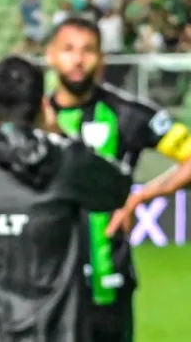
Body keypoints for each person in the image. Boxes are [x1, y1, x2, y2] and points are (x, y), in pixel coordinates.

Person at [0, 55, 130, 341]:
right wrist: (60, 132)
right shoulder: (68, 162)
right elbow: (117, 189)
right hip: (57, 331)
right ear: (43, 105)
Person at [46, 17, 191, 342]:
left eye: (88, 50)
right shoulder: (33, 117)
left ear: (101, 58)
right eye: (68, 49)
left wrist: (140, 196)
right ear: (51, 55)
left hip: (109, 282)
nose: (78, 59)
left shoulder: (127, 114)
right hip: (46, 289)